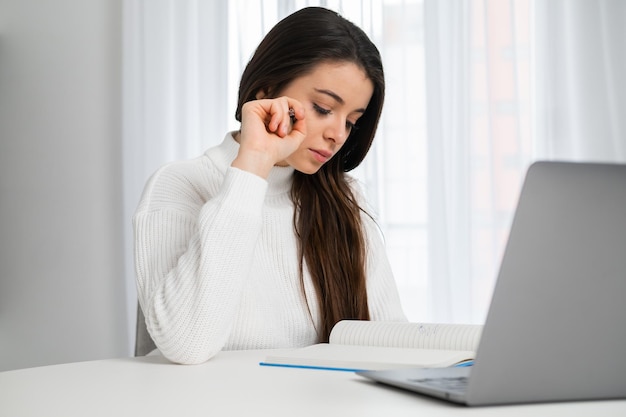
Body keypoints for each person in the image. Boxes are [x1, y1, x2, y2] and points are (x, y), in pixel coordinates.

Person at [133, 6, 406, 365]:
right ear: (265, 91)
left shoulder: (345, 199)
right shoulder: (181, 185)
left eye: (352, 122)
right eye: (324, 108)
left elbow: (389, 340)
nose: (338, 134)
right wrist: (254, 163)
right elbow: (187, 342)